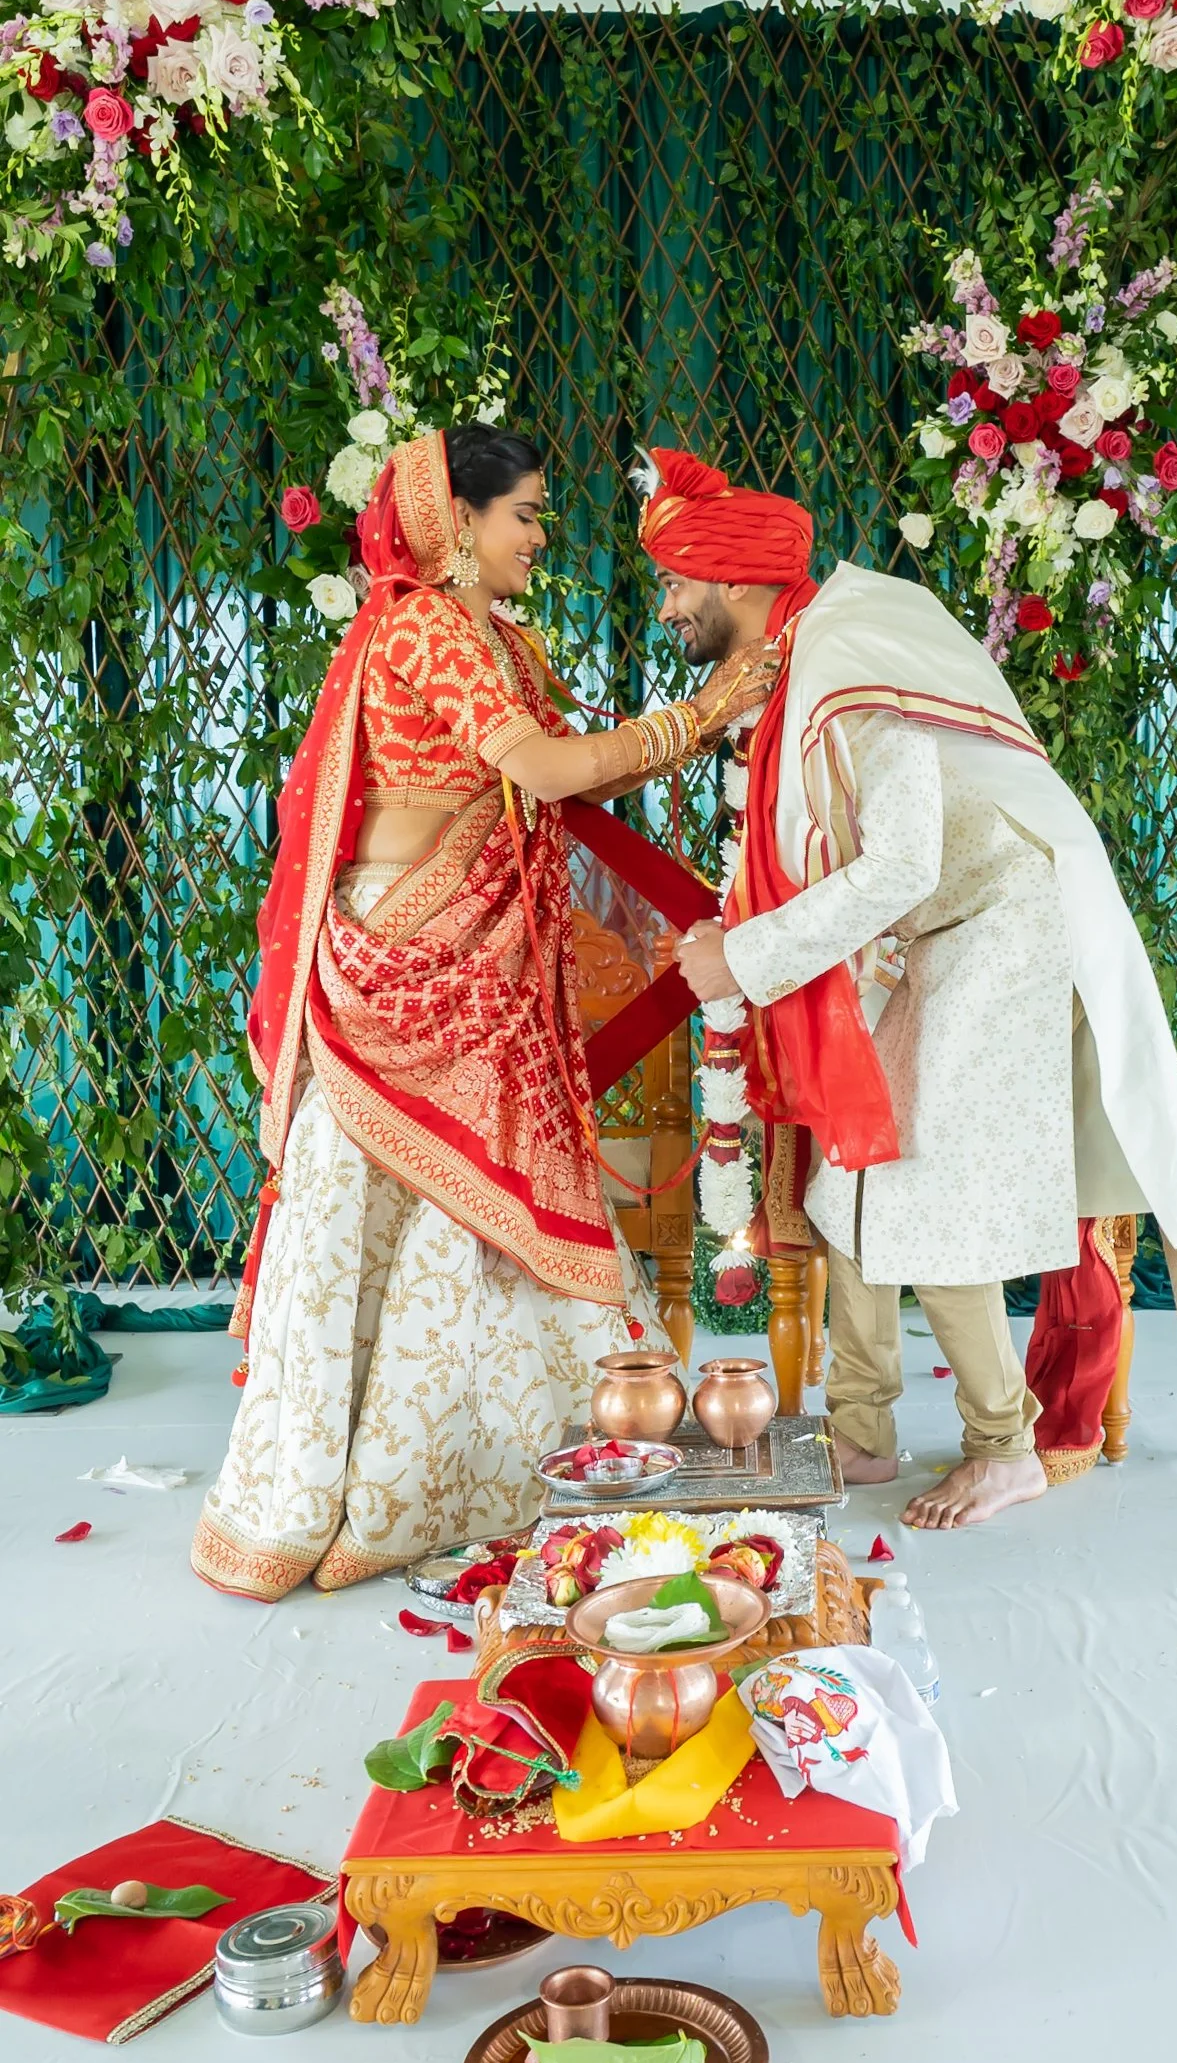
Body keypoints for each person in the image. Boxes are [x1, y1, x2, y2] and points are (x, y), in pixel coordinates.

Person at [192, 428, 773, 1600]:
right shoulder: (419, 625)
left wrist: (700, 723)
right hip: (406, 959)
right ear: (456, 522)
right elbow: (549, 776)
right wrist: (702, 707)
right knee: (393, 1211)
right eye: (526, 515)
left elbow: (565, 772)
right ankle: (359, 1488)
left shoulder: (488, 635)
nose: (540, 537)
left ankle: (464, 1469)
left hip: (475, 960)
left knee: (464, 1219)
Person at [643, 445, 1177, 1531]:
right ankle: (860, 1427)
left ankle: (1003, 1446)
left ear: (728, 581)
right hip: (922, 937)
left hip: (994, 930)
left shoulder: (850, 671)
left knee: (916, 1188)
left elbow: (900, 863)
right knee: (846, 1171)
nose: (667, 606)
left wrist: (747, 957)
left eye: (674, 583)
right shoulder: (807, 658)